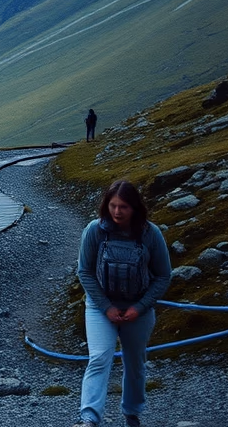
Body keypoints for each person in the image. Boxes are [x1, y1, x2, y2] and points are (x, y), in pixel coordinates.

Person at [73, 180, 172, 427]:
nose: (117, 212)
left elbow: (163, 275)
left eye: (124, 207)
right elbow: (84, 271)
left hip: (138, 308)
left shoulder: (151, 234)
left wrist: (139, 308)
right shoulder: (94, 230)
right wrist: (106, 307)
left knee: (135, 360)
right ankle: (89, 419)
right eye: (113, 205)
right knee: (99, 357)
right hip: (100, 307)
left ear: (135, 208)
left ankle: (132, 413)